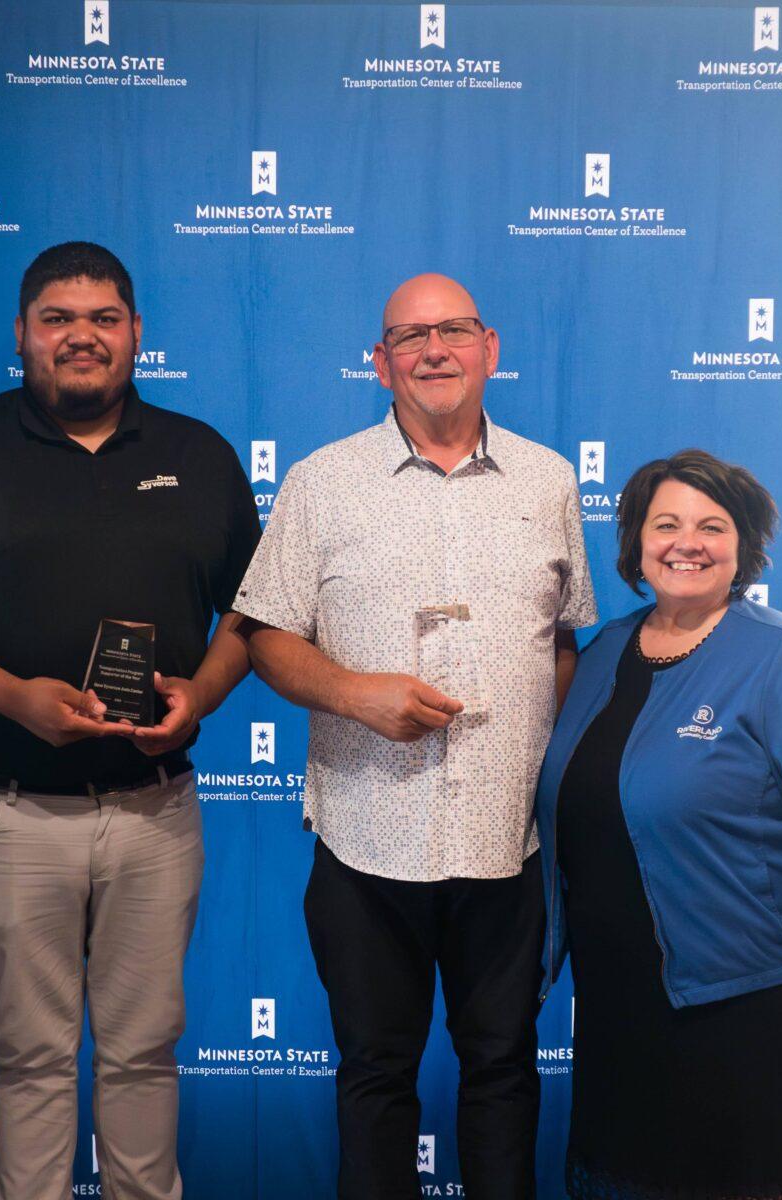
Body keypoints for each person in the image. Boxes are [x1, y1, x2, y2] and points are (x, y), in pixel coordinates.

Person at [0, 241, 261, 1200]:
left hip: (156, 812)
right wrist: (6, 696)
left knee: (145, 1052)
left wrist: (204, 692)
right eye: (58, 319)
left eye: (103, 319)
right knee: (30, 1057)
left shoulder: (197, 454)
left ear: (136, 334)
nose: (82, 337)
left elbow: (256, 610)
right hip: (11, 809)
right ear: (23, 334)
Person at [232, 273, 597, 1200]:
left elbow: (560, 643)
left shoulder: (551, 480)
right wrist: (352, 693)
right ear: (379, 362)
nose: (433, 350)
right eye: (409, 336)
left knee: (504, 1072)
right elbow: (265, 634)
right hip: (365, 840)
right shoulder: (320, 481)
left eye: (453, 331)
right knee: (374, 1077)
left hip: (505, 844)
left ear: (489, 349)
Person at [535, 449, 782, 1200]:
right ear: (635, 542)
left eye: (712, 526)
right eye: (666, 524)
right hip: (622, 995)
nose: (687, 542)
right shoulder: (604, 653)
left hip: (754, 998)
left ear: (742, 546)